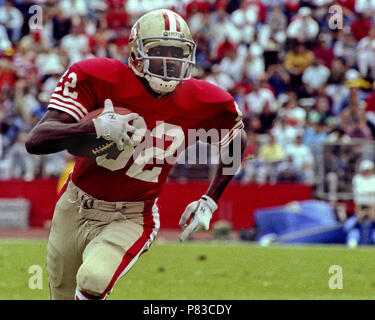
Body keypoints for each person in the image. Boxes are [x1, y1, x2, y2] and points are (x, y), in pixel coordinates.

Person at [25, 9, 246, 300]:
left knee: (93, 280)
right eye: (160, 52)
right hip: (74, 204)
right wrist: (92, 127)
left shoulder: (206, 100)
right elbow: (36, 141)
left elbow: (236, 140)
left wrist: (209, 201)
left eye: (177, 53)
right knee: (62, 295)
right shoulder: (98, 76)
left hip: (132, 214)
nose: (170, 62)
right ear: (136, 53)